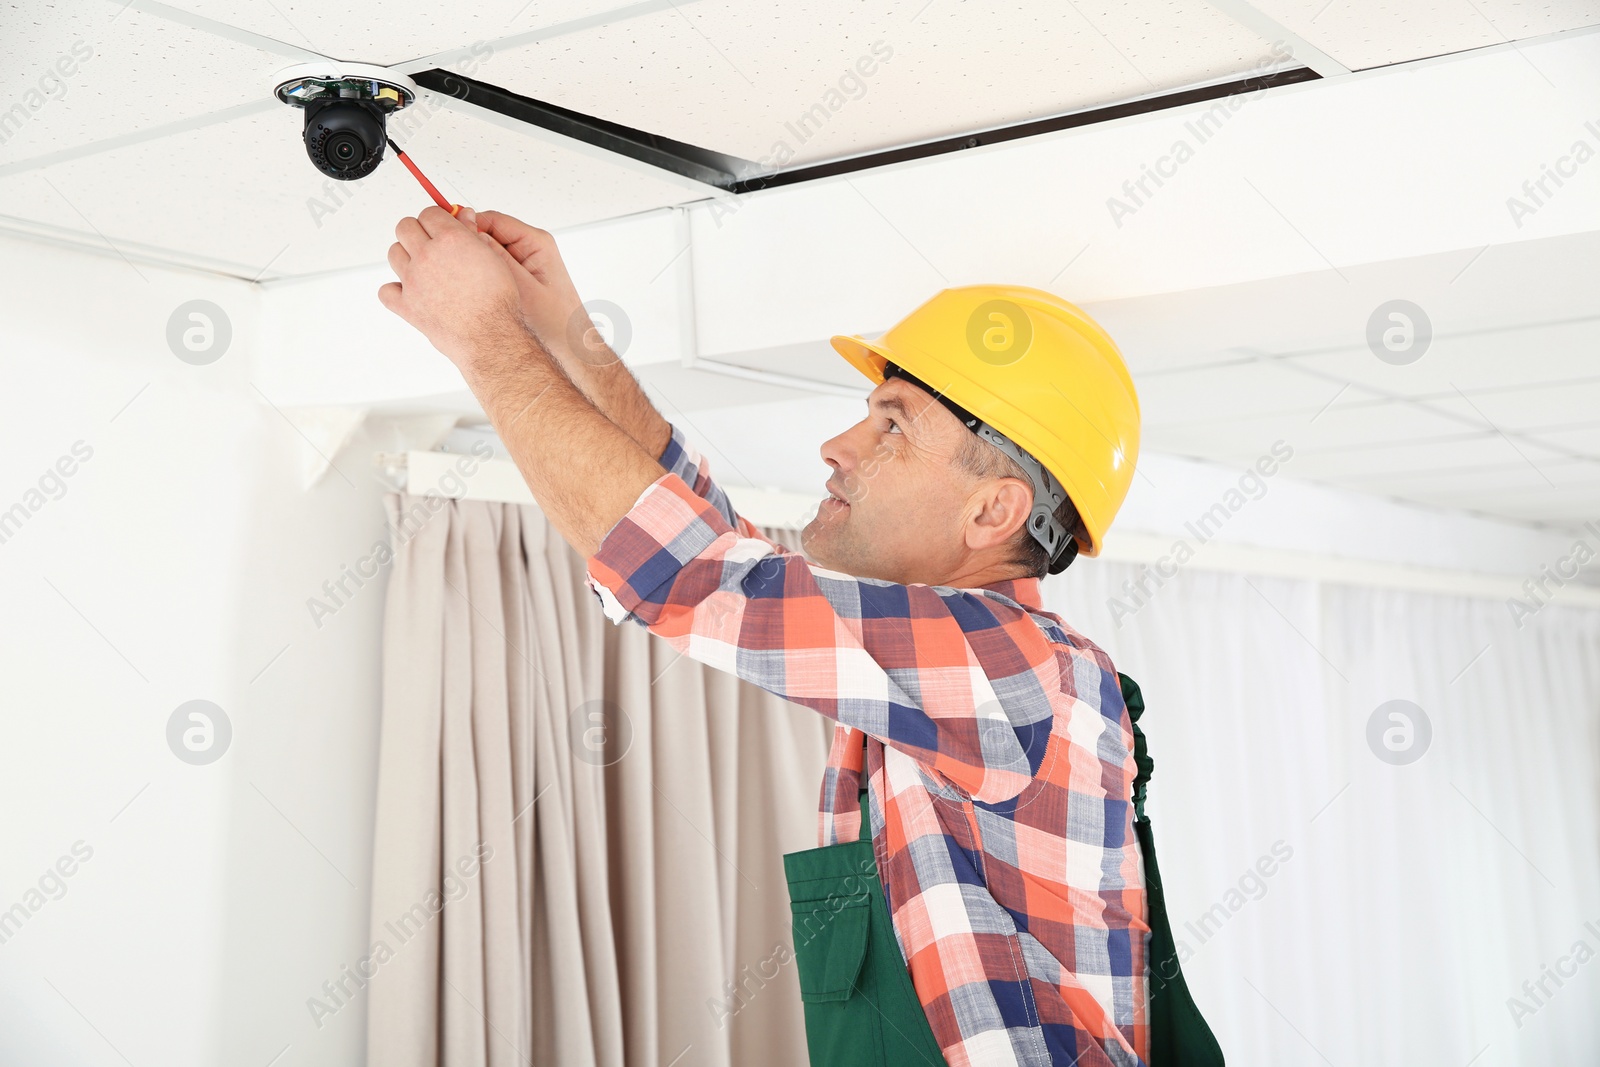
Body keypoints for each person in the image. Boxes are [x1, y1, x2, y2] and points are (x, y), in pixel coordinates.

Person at [380, 204, 1154, 1067]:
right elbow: (714, 551)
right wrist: (563, 333)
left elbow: (688, 571)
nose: (836, 444)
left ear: (992, 509)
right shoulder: (950, 667)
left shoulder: (1023, 669)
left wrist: (486, 338)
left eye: (892, 424)